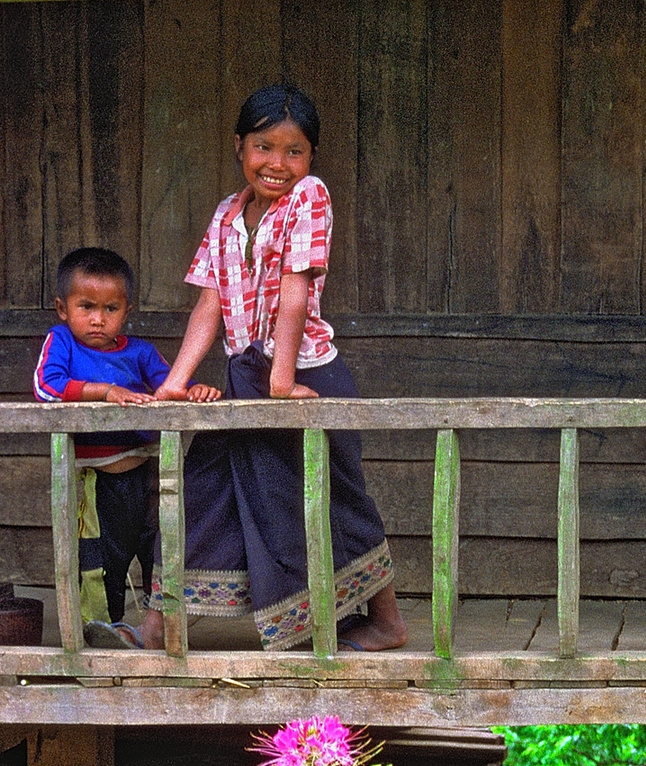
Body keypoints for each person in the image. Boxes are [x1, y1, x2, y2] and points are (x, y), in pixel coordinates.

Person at [88, 84, 406, 652]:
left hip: (306, 374)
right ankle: (156, 629)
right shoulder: (227, 215)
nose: (278, 164)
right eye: (264, 147)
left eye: (295, 151)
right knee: (198, 492)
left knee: (334, 498)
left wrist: (282, 382)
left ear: (310, 160)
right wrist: (175, 383)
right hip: (245, 378)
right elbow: (211, 302)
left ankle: (386, 623)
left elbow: (294, 292)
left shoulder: (310, 197)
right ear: (239, 147)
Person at [34, 247, 219, 638]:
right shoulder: (62, 343)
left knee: (161, 553)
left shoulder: (141, 352)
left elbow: (169, 388)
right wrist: (106, 391)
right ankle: (102, 636)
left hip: (150, 476)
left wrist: (192, 390)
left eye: (111, 309)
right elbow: (46, 387)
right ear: (62, 308)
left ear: (127, 310)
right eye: (86, 306)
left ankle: (162, 632)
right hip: (97, 482)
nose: (98, 319)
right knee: (101, 563)